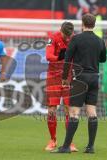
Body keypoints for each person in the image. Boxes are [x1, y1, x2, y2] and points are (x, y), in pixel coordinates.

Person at [52, 13, 107, 153]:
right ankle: (90, 147)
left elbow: (67, 60)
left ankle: (65, 147)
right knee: (91, 111)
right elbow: (103, 59)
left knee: (74, 112)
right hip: (94, 77)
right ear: (94, 25)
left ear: (82, 24)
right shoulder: (100, 41)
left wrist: (64, 77)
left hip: (80, 78)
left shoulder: (76, 39)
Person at [45, 22, 78, 152]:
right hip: (53, 78)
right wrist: (63, 58)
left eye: (70, 35)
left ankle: (69, 142)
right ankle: (53, 140)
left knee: (69, 110)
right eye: (66, 35)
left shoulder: (75, 39)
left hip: (68, 78)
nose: (68, 38)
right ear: (61, 31)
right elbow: (48, 56)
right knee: (52, 110)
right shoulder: (53, 38)